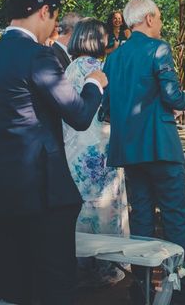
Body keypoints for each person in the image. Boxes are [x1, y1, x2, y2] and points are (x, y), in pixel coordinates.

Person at [0, 0, 107, 305]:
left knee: (10, 287)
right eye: (54, 19)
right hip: (44, 194)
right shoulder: (37, 55)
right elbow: (78, 116)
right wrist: (94, 85)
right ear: (43, 12)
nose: (53, 27)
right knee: (54, 286)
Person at [102, 0, 185, 305]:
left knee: (141, 217)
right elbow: (172, 95)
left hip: (129, 150)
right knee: (176, 216)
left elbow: (106, 108)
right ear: (149, 18)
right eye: (160, 18)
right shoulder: (159, 48)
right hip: (161, 147)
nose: (161, 24)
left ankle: (141, 288)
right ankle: (179, 290)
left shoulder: (113, 57)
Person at [64, 18, 128, 287]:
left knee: (80, 205)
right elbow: (114, 108)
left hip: (73, 147)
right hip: (100, 146)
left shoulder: (68, 69)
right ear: (98, 40)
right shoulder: (101, 69)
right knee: (105, 204)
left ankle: (77, 263)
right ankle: (105, 267)